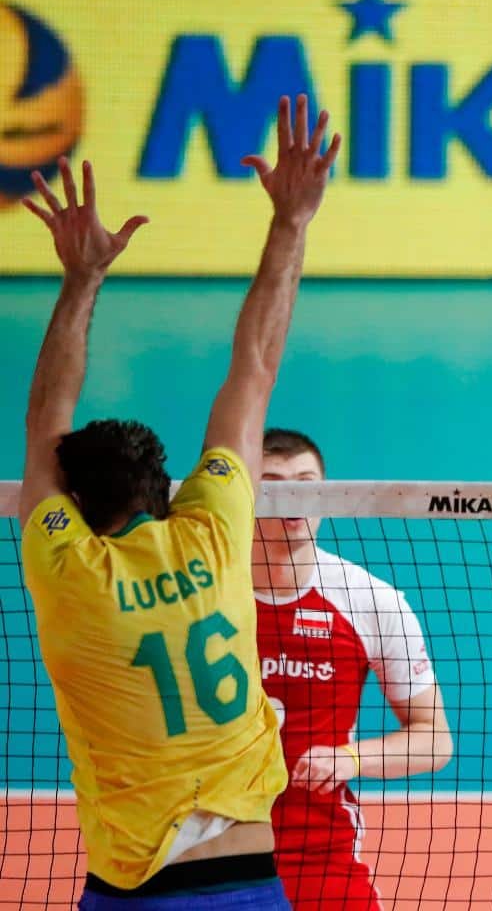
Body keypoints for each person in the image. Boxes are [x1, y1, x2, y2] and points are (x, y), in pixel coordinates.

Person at [19, 95, 340, 908]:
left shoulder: (68, 566)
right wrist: (290, 222)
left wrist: (82, 276)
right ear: (165, 494)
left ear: (79, 508)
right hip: (249, 879)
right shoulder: (214, 533)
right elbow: (254, 367)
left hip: (133, 885)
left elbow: (43, 424)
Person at [251, 427, 453, 909]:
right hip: (207, 849)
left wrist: (351, 758)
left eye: (307, 482)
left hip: (320, 851)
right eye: (273, 483)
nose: (293, 497)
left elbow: (435, 739)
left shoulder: (372, 600)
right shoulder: (200, 597)